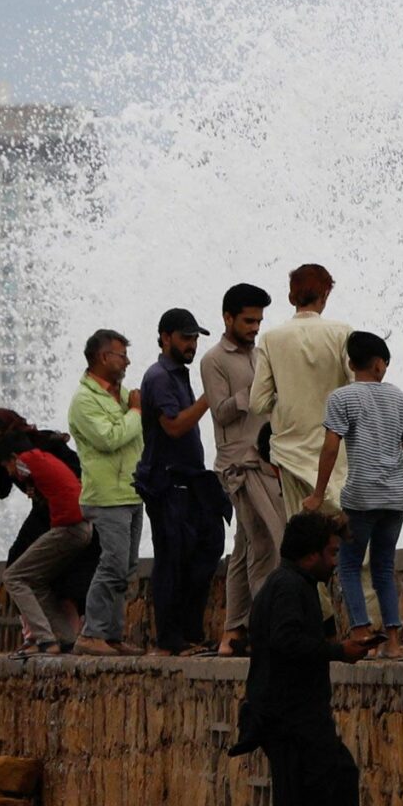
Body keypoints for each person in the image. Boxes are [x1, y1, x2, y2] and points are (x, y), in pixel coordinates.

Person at [228, 511, 379, 806]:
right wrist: (338, 652)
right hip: (286, 718)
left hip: (301, 714)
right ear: (310, 554)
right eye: (330, 552)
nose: (334, 561)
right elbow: (286, 642)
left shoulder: (296, 586)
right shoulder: (289, 588)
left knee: (336, 784)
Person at [313, 331, 403, 640]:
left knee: (349, 566)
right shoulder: (398, 396)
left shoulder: (341, 398)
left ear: (350, 362)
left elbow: (331, 446)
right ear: (378, 364)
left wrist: (318, 493)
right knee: (384, 568)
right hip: (397, 497)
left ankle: (360, 632)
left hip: (361, 497)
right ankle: (394, 642)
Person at [137, 308, 229, 655]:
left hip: (190, 482)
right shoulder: (160, 376)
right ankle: (170, 639)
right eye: (185, 337)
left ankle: (190, 632)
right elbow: (173, 426)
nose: (192, 344)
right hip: (167, 483)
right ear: (165, 337)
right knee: (172, 560)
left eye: (194, 338)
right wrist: (211, 397)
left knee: (205, 551)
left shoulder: (179, 375)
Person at [203, 282, 283, 657]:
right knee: (266, 542)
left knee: (247, 547)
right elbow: (219, 411)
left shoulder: (262, 352)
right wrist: (255, 392)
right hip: (238, 464)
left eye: (259, 321)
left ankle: (234, 631)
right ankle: (265, 628)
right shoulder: (214, 359)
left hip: (263, 460)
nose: (255, 327)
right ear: (228, 318)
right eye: (249, 320)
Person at [0, 409, 96, 647]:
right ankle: (44, 635)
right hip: (44, 515)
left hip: (70, 515)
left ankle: (58, 636)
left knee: (62, 578)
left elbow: (72, 474)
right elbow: (2, 488)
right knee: (17, 562)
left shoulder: (39, 449)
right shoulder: (13, 455)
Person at [252, 264, 355, 523]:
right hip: (336, 455)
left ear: (291, 297)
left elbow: (257, 402)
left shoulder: (270, 339)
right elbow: (357, 391)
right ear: (325, 295)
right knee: (344, 535)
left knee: (302, 538)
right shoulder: (341, 333)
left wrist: (286, 400)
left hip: (290, 454)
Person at [67, 329, 145, 656]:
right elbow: (110, 438)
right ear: (103, 357)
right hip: (107, 497)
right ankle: (92, 633)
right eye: (121, 355)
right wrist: (136, 412)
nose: (127, 361)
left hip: (130, 492)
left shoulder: (120, 394)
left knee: (125, 567)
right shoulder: (84, 401)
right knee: (112, 564)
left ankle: (111, 635)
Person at [0, 433, 93, 655]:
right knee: (36, 582)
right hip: (84, 527)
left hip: (69, 528)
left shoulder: (26, 460)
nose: (10, 472)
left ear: (13, 457)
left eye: (6, 466)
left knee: (13, 576)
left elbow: (20, 470)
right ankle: (66, 639)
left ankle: (45, 640)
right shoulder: (42, 457)